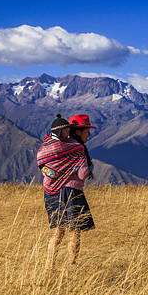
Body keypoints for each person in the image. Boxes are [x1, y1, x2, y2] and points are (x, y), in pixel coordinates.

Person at [36, 114, 96, 274]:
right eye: (86, 131)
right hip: (72, 192)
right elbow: (83, 174)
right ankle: (72, 266)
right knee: (74, 231)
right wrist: (89, 167)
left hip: (52, 192)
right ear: (78, 132)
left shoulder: (58, 145)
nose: (88, 135)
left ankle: (49, 267)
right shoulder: (77, 148)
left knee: (57, 232)